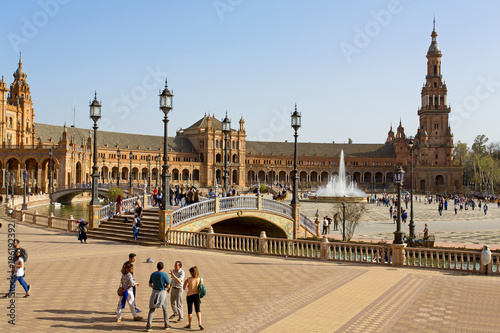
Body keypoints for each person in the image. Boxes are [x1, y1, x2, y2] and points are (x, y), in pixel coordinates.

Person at [146, 262, 171, 331]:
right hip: (162, 292)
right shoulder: (164, 275)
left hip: (154, 292)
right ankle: (167, 324)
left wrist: (154, 286)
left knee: (152, 309)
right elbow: (168, 286)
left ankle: (149, 325)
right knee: (165, 309)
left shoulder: (153, 274)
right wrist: (164, 286)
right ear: (163, 267)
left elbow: (150, 284)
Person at [183, 266, 204, 330]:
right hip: (197, 295)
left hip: (189, 295)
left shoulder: (188, 279)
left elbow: (184, 288)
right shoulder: (200, 279)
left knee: (190, 310)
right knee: (198, 309)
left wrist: (187, 285)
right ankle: (200, 323)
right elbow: (201, 287)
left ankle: (189, 324)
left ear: (192, 272)